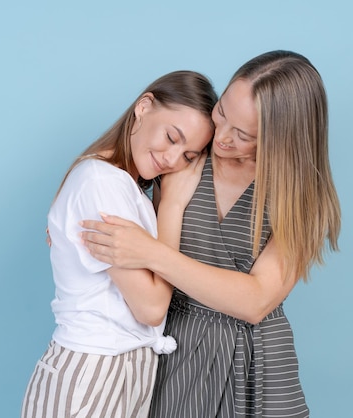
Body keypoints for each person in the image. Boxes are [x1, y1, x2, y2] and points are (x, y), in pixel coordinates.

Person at [80, 50, 341, 418]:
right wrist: (68, 213)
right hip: (174, 349)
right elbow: (109, 173)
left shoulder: (299, 195)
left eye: (244, 135)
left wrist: (151, 254)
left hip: (257, 365)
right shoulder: (185, 153)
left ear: (283, 138)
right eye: (222, 114)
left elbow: (256, 301)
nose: (220, 138)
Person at [21, 70, 217, 418]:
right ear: (144, 107)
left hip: (125, 368)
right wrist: (172, 204)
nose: (173, 160)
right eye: (172, 137)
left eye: (189, 156)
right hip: (89, 369)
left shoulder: (124, 188)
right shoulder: (100, 181)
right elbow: (151, 307)